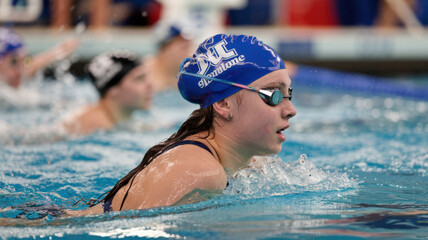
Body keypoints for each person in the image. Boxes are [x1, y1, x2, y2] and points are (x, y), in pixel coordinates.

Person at [66, 33, 297, 216]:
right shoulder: (198, 171)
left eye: (289, 94)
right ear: (224, 104)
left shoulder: (250, 163)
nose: (290, 110)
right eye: (273, 94)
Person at [62, 50, 153, 135]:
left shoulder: (115, 121)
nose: (149, 85)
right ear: (113, 90)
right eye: (139, 79)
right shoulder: (88, 127)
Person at [0, 27, 79, 89]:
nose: (20, 71)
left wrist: (60, 50)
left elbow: (32, 64)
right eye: (14, 62)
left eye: (25, 61)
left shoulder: (17, 73)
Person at [144, 23, 194, 92]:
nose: (191, 53)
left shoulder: (190, 77)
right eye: (184, 47)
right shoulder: (143, 77)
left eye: (191, 47)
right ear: (164, 50)